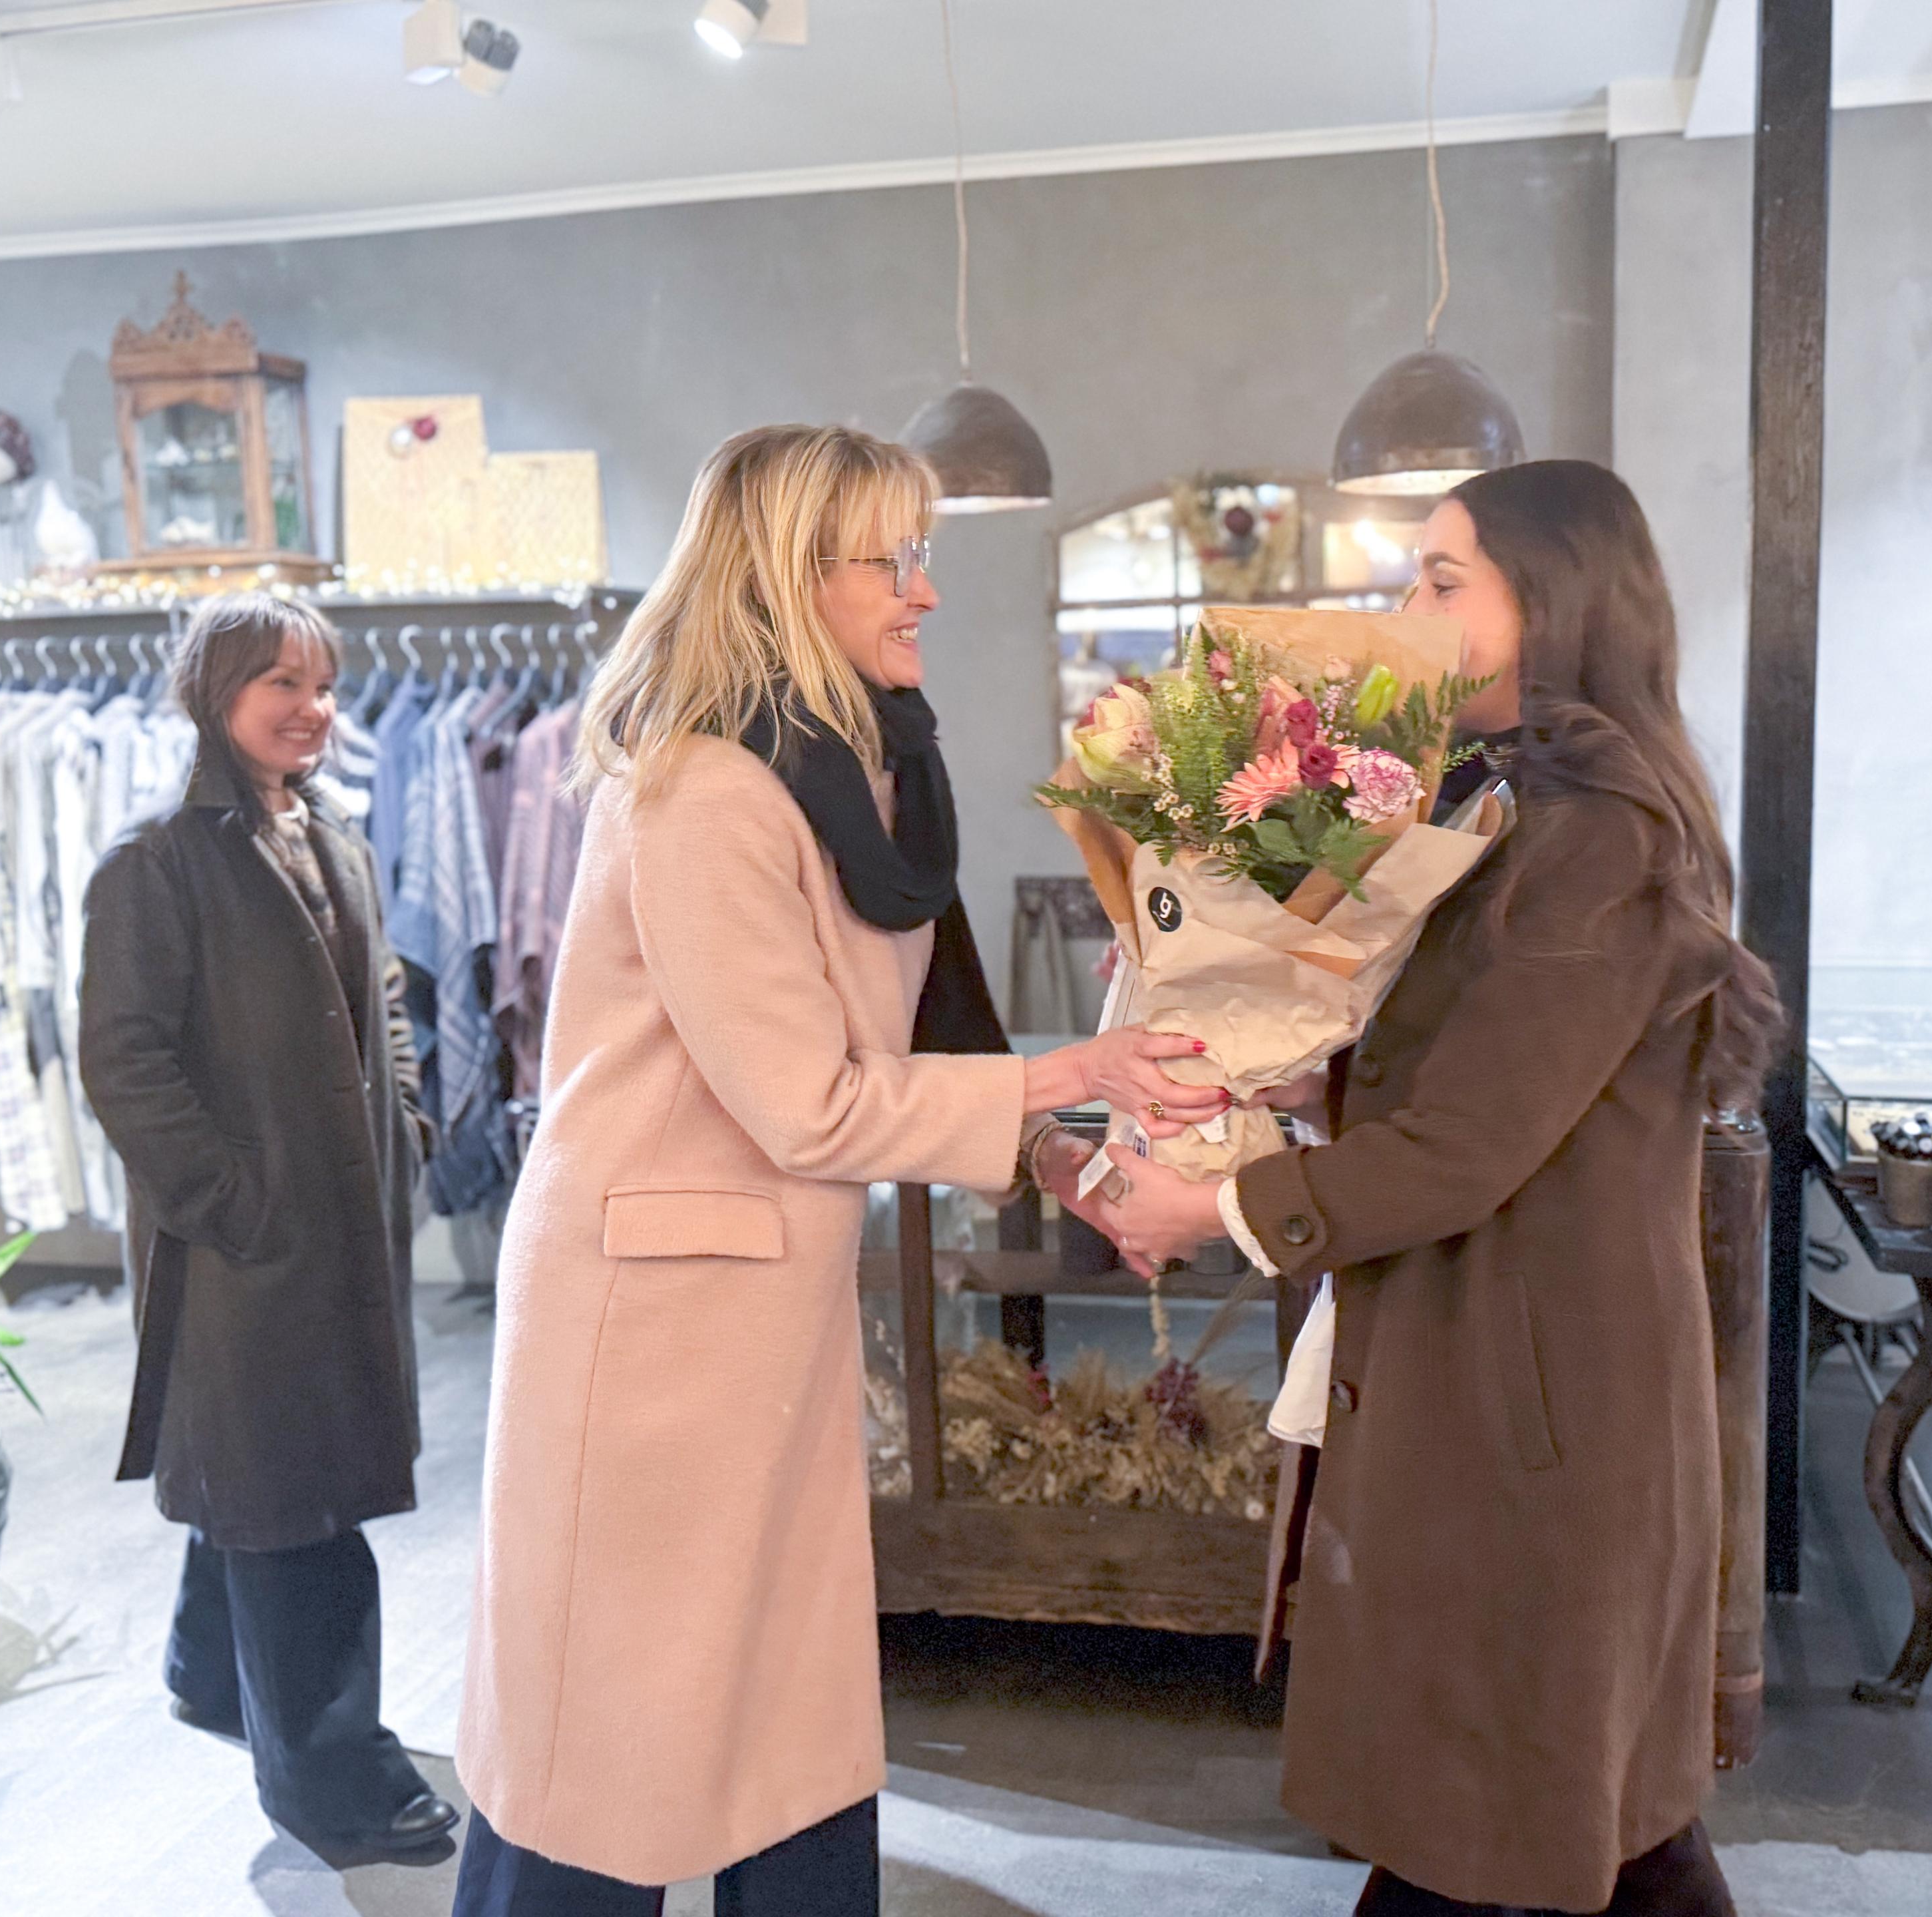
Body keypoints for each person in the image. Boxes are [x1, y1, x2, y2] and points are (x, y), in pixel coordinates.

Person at [451, 423, 1221, 1915]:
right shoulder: (700, 792)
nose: (926, 593)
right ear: (791, 574)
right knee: (606, 1735)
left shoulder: (872, 770)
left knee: (771, 1711)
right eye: (896, 558)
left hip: (751, 1298)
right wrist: (1077, 1073)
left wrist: (1069, 1161)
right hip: (647, 1317)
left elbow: (933, 1016)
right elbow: (807, 1102)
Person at [1089, 460, 1782, 1917]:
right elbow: (1489, 1085)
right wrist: (1300, 1080)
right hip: (1514, 1377)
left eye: (1442, 581)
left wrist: (1216, 1210)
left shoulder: (1601, 835)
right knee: (1577, 1819)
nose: (1407, 613)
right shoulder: (1521, 803)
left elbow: (1471, 1146)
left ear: (1561, 602)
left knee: (1498, 1815)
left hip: (1534, 1410)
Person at [81, 592, 455, 1856]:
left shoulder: (332, 834)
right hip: (243, 1249)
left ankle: (210, 1674)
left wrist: (400, 1123)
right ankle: (334, 1780)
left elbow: (385, 1000)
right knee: (296, 1500)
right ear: (213, 695)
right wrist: (234, 1199)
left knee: (262, 1473)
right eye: (278, 684)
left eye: (325, 685)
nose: (312, 709)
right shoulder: (154, 863)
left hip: (343, 1224)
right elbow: (123, 1064)